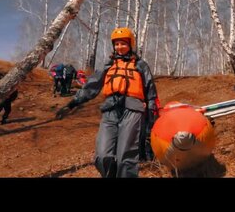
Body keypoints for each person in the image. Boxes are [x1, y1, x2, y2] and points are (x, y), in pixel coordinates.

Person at [55, 27, 159, 178]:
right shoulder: (108, 65)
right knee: (103, 155)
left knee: (126, 155)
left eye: (123, 43)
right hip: (110, 109)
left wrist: (151, 116)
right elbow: (91, 86)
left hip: (133, 109)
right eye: (116, 44)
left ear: (130, 44)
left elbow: (150, 90)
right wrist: (72, 103)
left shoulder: (140, 65)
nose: (119, 47)